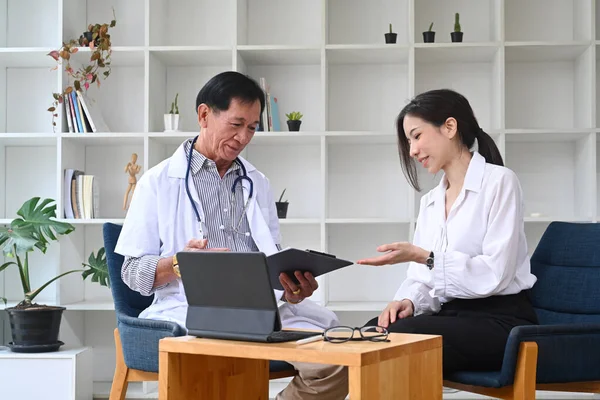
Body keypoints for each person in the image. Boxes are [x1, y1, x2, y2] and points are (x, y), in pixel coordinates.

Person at [115, 71, 348, 400]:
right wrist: (180, 264)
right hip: (192, 309)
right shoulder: (157, 183)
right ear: (204, 115)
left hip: (260, 310)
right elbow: (132, 273)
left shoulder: (258, 183)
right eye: (236, 124)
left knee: (337, 362)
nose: (243, 137)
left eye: (252, 128)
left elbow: (272, 260)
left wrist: (292, 287)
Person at [357, 89, 539, 375]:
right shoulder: (429, 202)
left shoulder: (500, 182)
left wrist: (426, 257)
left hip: (501, 321)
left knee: (401, 339)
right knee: (370, 332)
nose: (412, 151)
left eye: (416, 136)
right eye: (408, 141)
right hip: (451, 316)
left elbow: (495, 273)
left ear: (450, 127)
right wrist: (408, 301)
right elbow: (424, 281)